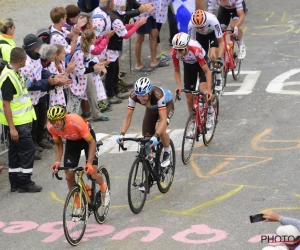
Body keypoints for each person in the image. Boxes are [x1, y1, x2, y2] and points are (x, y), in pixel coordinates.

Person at [47, 105, 110, 207]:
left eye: (57, 121)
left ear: (64, 119)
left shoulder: (76, 122)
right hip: (72, 142)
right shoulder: (51, 127)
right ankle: (78, 203)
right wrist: (57, 162)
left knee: (92, 174)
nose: (55, 125)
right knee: (69, 176)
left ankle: (104, 188)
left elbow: (91, 143)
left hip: (87, 141)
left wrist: (89, 163)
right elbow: (58, 144)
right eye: (52, 121)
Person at [0, 47, 42, 193]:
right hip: (17, 123)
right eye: (25, 59)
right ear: (20, 60)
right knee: (28, 150)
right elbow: (6, 104)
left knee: (15, 151)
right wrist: (12, 128)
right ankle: (25, 182)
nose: (26, 61)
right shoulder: (8, 78)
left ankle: (15, 182)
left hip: (20, 121)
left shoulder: (13, 73)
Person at [116, 77, 174, 168]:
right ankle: (151, 161)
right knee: (146, 138)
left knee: (159, 128)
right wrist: (122, 134)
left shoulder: (158, 95)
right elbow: (128, 118)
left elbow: (163, 119)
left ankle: (167, 150)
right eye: (138, 95)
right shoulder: (133, 96)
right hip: (151, 108)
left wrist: (156, 136)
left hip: (166, 106)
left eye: (143, 96)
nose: (140, 98)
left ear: (149, 92)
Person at [171, 32, 214, 130]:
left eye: (181, 49)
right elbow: (176, 70)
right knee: (189, 97)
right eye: (176, 49)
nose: (178, 52)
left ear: (187, 46)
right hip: (189, 65)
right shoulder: (174, 51)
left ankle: (211, 111)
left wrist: (209, 91)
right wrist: (179, 85)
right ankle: (193, 120)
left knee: (203, 91)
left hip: (201, 64)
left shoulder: (195, 49)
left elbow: (207, 72)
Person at [188, 9, 224, 91]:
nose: (200, 29)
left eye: (202, 26)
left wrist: (219, 58)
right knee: (201, 58)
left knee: (213, 55)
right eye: (198, 27)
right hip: (201, 37)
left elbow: (221, 42)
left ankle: (218, 76)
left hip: (212, 34)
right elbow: (191, 43)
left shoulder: (213, 20)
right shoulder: (191, 24)